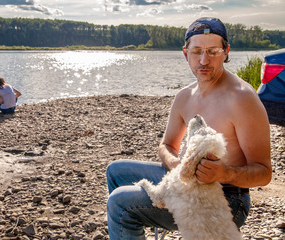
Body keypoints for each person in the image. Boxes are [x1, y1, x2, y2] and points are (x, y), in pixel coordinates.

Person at [106, 17, 272, 239]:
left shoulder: (242, 98)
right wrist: (175, 162)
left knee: (119, 203)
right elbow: (166, 145)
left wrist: (225, 173)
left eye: (213, 51)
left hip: (228, 198)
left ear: (226, 52)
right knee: (115, 171)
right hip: (185, 181)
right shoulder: (184, 96)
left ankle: (128, 218)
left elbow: (264, 172)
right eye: (196, 52)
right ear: (186, 53)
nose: (204, 60)